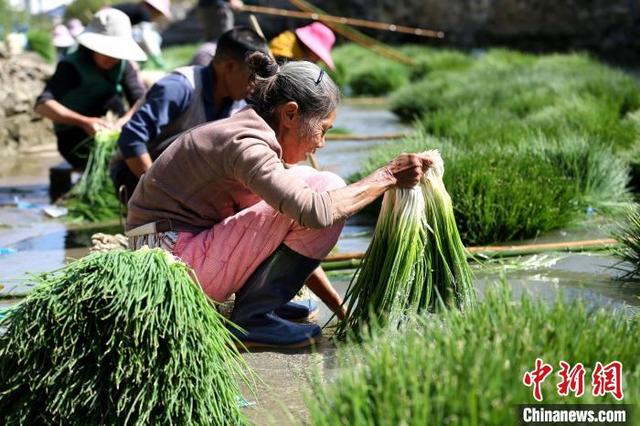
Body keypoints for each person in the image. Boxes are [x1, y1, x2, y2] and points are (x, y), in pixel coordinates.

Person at [125, 52, 432, 349]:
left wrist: (341, 310)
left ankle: (261, 307)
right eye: (322, 130)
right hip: (169, 266)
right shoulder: (246, 145)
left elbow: (294, 235)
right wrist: (388, 176)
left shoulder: (253, 134)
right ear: (290, 114)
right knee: (326, 187)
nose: (320, 144)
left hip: (179, 249)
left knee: (314, 186)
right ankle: (252, 319)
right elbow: (315, 214)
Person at [110, 27, 268, 201]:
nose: (255, 85)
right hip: (138, 175)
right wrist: (160, 192)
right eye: (252, 77)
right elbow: (131, 138)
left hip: (186, 181)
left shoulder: (238, 102)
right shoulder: (179, 87)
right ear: (230, 67)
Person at [35, 8, 147, 170]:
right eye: (106, 51)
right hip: (76, 138)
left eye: (117, 53)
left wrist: (123, 122)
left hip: (115, 128)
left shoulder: (124, 65)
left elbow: (141, 99)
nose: (112, 58)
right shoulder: (71, 66)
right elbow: (42, 105)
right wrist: (84, 122)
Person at [269, 21, 336, 70]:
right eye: (318, 56)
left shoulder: (289, 40)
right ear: (311, 49)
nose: (319, 60)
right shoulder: (286, 54)